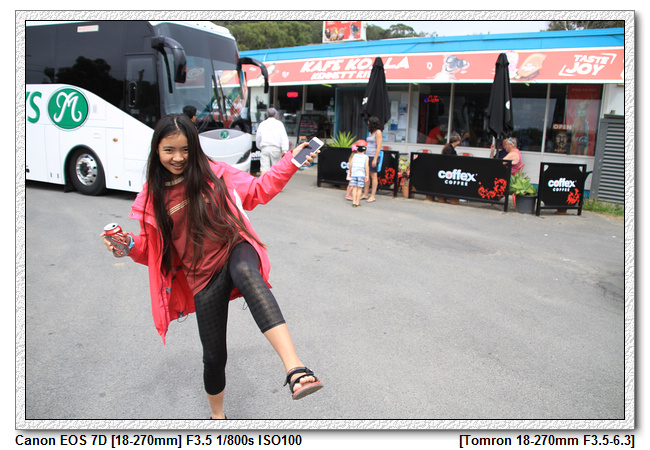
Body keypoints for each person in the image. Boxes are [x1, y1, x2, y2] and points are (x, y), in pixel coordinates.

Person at [102, 114, 323, 419]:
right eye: (169, 150)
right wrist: (127, 245)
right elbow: (152, 249)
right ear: (157, 151)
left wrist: (291, 161)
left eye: (185, 149)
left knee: (246, 273)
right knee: (214, 355)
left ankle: (295, 369)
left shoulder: (215, 174)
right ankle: (217, 416)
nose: (178, 157)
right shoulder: (153, 196)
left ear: (195, 147)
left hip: (233, 247)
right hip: (201, 276)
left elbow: (258, 190)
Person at [255, 108, 289, 174]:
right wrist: (284, 150)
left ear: (267, 115)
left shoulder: (262, 124)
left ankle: (263, 180)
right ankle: (275, 181)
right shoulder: (279, 124)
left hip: (265, 148)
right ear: (276, 115)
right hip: (275, 149)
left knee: (264, 168)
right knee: (276, 168)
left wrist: (259, 146)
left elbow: (258, 137)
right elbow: (284, 137)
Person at [362, 116, 383, 203]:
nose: (368, 124)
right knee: (367, 175)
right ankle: (365, 193)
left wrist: (375, 159)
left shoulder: (378, 132)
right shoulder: (371, 132)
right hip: (367, 156)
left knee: (373, 175)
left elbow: (378, 146)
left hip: (373, 156)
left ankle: (373, 195)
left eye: (369, 122)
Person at [348, 140, 370, 207]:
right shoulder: (366, 157)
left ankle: (354, 202)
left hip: (354, 174)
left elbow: (350, 164)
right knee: (359, 189)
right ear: (365, 149)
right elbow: (366, 166)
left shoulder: (354, 156)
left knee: (354, 188)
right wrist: (367, 175)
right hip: (361, 175)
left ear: (357, 148)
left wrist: (350, 172)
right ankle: (357, 202)